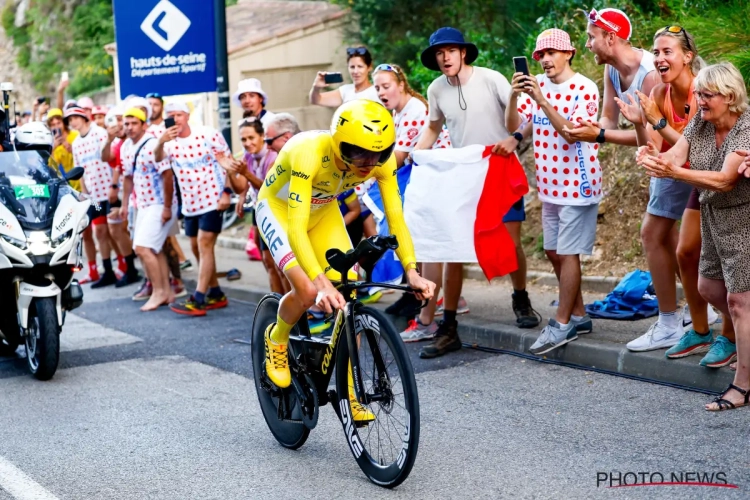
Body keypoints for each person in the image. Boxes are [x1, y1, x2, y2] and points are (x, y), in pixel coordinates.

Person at [257, 99, 435, 423]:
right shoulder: (309, 152)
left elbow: (396, 219)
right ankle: (277, 337)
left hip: (323, 212)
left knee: (349, 294)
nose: (369, 163)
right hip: (281, 213)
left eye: (378, 154)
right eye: (358, 154)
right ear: (339, 144)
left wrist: (412, 270)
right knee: (309, 291)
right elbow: (296, 228)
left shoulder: (380, 163)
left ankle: (350, 389)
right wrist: (320, 282)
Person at [412, 27, 539, 359]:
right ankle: (449, 326)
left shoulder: (490, 78)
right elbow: (433, 127)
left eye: (450, 51)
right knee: (455, 250)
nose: (445, 58)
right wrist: (414, 154)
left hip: (499, 167)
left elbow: (520, 122)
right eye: (439, 53)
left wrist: (513, 118)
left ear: (463, 53)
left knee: (510, 243)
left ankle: (521, 298)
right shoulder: (436, 88)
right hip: (464, 173)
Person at [637, 62, 749, 411]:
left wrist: (676, 172)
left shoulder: (745, 128)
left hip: (743, 217)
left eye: (707, 94)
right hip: (713, 217)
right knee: (708, 288)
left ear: (729, 97)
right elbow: (675, 155)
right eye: (698, 93)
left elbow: (726, 180)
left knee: (739, 302)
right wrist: (655, 159)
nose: (698, 100)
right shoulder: (700, 122)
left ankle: (743, 385)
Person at [616, 26, 728, 362]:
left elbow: (696, 150)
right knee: (683, 251)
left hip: (713, 176)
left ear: (688, 56)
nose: (660, 58)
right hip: (685, 173)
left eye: (668, 52)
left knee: (712, 259)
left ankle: (728, 333)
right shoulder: (661, 93)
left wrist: (658, 126)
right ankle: (696, 328)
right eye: (657, 52)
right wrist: (641, 125)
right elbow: (655, 146)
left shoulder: (702, 92)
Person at [507, 28, 601, 354]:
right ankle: (579, 314)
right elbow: (512, 126)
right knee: (552, 252)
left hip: (578, 183)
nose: (545, 60)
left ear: (568, 53)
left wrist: (542, 101)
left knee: (568, 253)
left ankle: (561, 324)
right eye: (540, 55)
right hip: (549, 186)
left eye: (551, 53)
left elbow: (573, 134)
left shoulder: (585, 88)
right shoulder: (538, 87)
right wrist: (513, 96)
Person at [370, 62, 453, 341]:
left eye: (386, 86)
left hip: (437, 181)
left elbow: (398, 157)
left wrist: (364, 172)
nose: (381, 92)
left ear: (401, 84)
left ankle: (428, 311)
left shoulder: (415, 110)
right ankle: (430, 304)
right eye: (377, 87)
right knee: (426, 246)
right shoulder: (400, 111)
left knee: (429, 248)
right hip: (427, 181)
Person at [155, 102, 234, 316]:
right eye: (171, 116)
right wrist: (161, 141)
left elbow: (228, 162)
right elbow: (157, 159)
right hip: (190, 204)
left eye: (179, 115)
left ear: (187, 116)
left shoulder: (208, 134)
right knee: (197, 248)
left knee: (204, 243)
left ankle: (198, 298)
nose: (175, 119)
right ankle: (216, 292)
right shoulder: (168, 144)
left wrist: (227, 192)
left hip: (213, 198)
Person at [119, 108, 177, 311]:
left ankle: (159, 292)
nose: (129, 127)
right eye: (126, 123)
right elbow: (127, 177)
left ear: (144, 125)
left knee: (142, 248)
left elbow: (167, 175)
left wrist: (167, 207)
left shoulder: (153, 144)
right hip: (141, 204)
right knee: (154, 248)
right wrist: (125, 204)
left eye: (134, 123)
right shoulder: (125, 146)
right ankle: (166, 291)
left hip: (159, 203)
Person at [225, 118, 287, 294]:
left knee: (281, 264)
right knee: (267, 261)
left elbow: (268, 188)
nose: (247, 143)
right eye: (243, 140)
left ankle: (295, 311)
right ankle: (277, 305)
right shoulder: (248, 157)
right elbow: (240, 186)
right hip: (260, 210)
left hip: (277, 211)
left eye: (251, 138)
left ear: (262, 136)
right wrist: (230, 172)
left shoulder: (274, 157)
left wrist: (245, 173)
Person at [66, 103, 117, 288]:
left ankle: (122, 266)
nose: (73, 122)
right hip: (94, 195)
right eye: (70, 120)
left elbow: (110, 158)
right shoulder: (76, 142)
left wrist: (115, 185)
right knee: (100, 232)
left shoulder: (99, 133)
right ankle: (107, 269)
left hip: (108, 189)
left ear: (84, 117)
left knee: (113, 231)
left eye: (75, 118)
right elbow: (80, 171)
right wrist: (85, 194)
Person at [101, 106, 140, 287]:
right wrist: (108, 139)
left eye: (121, 119)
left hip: (134, 190)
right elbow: (106, 158)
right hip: (122, 190)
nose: (119, 124)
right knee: (116, 229)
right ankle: (130, 268)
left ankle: (135, 269)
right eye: (116, 120)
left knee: (130, 231)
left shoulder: (133, 142)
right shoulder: (117, 143)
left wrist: (114, 186)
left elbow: (120, 168)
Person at [309, 46, 380, 107]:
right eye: (352, 67)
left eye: (360, 66)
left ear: (369, 67)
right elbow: (316, 100)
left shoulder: (378, 91)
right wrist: (316, 87)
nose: (355, 71)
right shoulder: (345, 91)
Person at [47, 108, 81, 192]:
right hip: (72, 185)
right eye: (53, 125)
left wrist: (72, 148)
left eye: (58, 123)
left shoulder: (75, 135)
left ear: (63, 123)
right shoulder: (52, 142)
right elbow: (52, 167)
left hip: (85, 181)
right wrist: (53, 148)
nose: (56, 127)